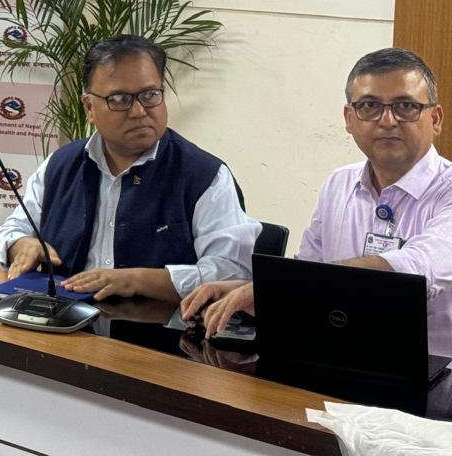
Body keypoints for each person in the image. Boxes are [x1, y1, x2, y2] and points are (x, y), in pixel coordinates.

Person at [182, 47, 452, 356]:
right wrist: (248, 289)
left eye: (405, 106)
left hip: (436, 375)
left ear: (436, 119)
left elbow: (416, 269)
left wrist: (284, 287)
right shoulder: (339, 183)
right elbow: (309, 270)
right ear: (349, 119)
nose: (388, 120)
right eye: (369, 106)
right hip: (337, 360)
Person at [0, 35, 259, 301]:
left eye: (150, 95)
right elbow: (12, 228)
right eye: (120, 99)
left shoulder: (205, 176)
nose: (139, 111)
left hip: (161, 325)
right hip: (63, 320)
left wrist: (137, 280)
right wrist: (21, 244)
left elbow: (232, 271)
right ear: (89, 107)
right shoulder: (60, 165)